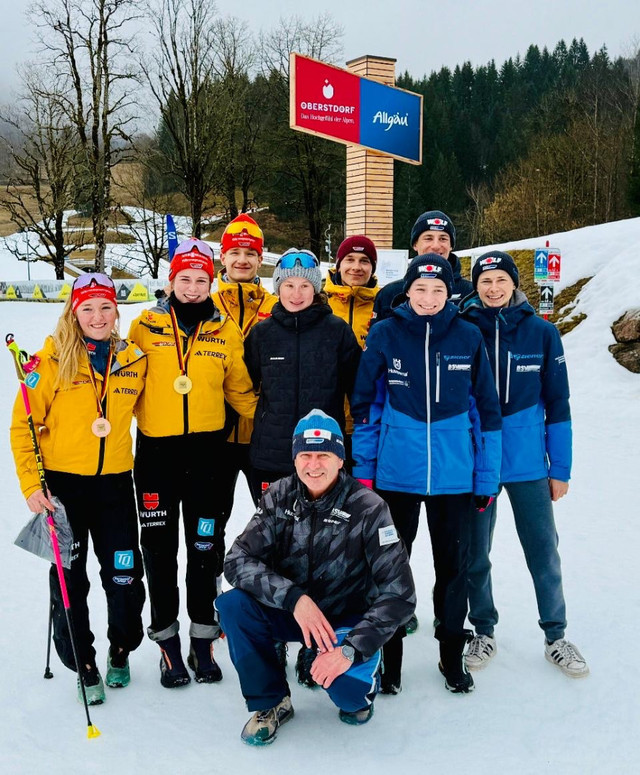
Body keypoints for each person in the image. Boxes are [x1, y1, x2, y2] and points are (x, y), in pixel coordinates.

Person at [216, 409, 416, 746]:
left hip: (345, 621)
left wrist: (351, 650)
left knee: (350, 701)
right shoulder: (279, 496)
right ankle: (271, 702)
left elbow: (400, 594)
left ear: (340, 459)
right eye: (305, 455)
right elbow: (237, 560)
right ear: (294, 459)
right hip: (295, 613)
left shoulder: (369, 507)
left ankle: (363, 670)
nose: (314, 465)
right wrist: (294, 599)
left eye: (323, 455)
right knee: (234, 605)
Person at [351, 254, 502, 695]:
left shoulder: (469, 336)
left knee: (452, 570)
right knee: (390, 572)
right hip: (396, 477)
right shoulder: (385, 334)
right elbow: (366, 409)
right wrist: (364, 475)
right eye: (421, 289)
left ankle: (451, 657)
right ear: (408, 292)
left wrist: (486, 477)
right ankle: (390, 661)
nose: (430, 298)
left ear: (449, 294)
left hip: (455, 479)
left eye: (438, 291)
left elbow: (486, 412)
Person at [10, 273, 147, 705]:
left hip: (115, 486)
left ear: (116, 311)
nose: (97, 316)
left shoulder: (133, 360)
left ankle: (121, 648)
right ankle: (83, 662)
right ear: (73, 312)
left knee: (123, 575)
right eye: (87, 307)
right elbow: (23, 427)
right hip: (64, 489)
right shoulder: (47, 364)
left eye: (105, 306)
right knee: (70, 579)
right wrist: (33, 485)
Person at [128, 237, 257, 688]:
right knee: (159, 553)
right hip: (157, 457)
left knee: (205, 549)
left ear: (211, 281)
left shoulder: (226, 330)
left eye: (202, 279)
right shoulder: (144, 326)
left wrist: (276, 427)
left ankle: (203, 638)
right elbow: (123, 384)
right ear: (171, 280)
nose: (193, 287)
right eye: (185, 278)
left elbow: (240, 390)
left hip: (208, 456)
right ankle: (166, 643)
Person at [460, 250, 589, 678]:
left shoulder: (541, 333)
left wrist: (561, 468)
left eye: (501, 280)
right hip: (478, 461)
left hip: (529, 463)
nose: (493, 288)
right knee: (476, 551)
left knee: (543, 550)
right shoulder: (464, 328)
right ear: (475, 286)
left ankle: (556, 635)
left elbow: (559, 403)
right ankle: (483, 628)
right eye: (485, 281)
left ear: (515, 284)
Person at [244, 248, 361, 501]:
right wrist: (266, 417)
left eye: (305, 285)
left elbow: (358, 392)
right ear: (278, 287)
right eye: (289, 285)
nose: (296, 294)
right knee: (273, 534)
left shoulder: (337, 331)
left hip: (324, 455)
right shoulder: (261, 334)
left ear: (316, 288)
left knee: (323, 535)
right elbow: (243, 386)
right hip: (272, 456)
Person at [211, 214, 276, 580]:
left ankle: (271, 597)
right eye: (234, 252)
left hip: (263, 435)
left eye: (250, 253)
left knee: (272, 522)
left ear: (260, 258)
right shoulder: (206, 304)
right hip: (216, 434)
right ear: (223, 257)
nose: (242, 260)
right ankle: (211, 594)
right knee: (210, 522)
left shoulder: (275, 305)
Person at [372, 209, 472, 324]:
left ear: (451, 246)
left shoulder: (470, 292)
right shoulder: (390, 293)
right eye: (428, 238)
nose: (435, 246)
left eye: (443, 239)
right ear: (415, 244)